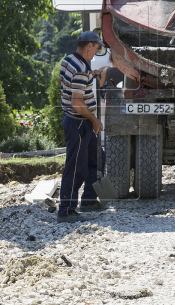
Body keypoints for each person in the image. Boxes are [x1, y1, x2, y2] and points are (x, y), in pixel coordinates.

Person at [57, 31, 107, 223]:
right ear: (89, 46)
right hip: (79, 122)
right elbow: (77, 102)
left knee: (96, 156)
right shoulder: (80, 69)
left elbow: (62, 80)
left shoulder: (68, 60)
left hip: (76, 120)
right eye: (96, 48)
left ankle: (88, 199)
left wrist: (90, 77)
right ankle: (66, 210)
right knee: (76, 166)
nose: (96, 52)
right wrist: (94, 120)